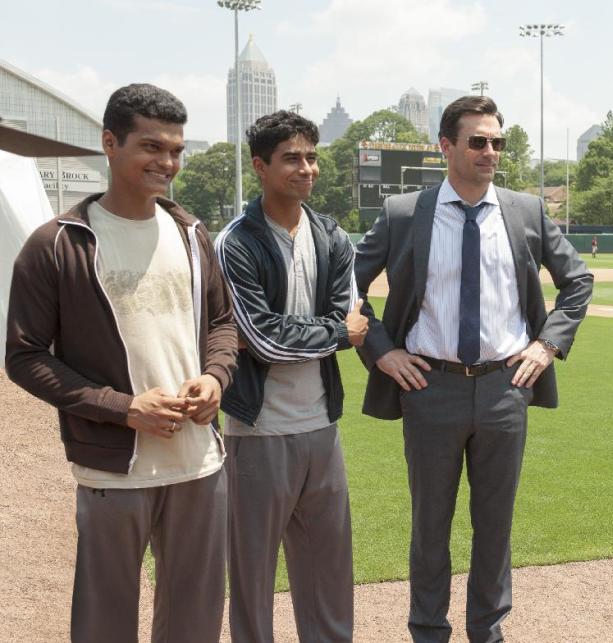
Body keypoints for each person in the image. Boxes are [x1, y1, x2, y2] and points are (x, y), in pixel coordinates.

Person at [353, 95, 593, 642]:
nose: (490, 152)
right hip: (428, 387)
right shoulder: (403, 213)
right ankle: (428, 632)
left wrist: (548, 345)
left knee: (495, 527)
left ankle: (488, 632)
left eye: (497, 143)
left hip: (505, 388)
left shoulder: (525, 211)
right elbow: (345, 287)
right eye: (477, 141)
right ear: (446, 147)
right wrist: (383, 349)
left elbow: (577, 281)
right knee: (430, 527)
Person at [5, 84, 237, 642]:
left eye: (176, 150)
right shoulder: (57, 244)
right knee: (105, 622)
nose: (168, 163)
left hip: (198, 462)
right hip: (114, 465)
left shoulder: (191, 233)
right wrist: (124, 407)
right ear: (110, 143)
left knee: (195, 622)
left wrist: (215, 376)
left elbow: (224, 325)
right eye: (152, 147)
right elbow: (24, 356)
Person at [215, 110, 367, 643]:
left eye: (311, 157)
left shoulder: (332, 235)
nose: (306, 168)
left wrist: (330, 329)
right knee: (253, 577)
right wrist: (334, 332)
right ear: (260, 166)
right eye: (291, 159)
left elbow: (355, 320)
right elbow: (262, 338)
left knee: (328, 572)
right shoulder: (236, 242)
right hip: (257, 431)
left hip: (322, 427)